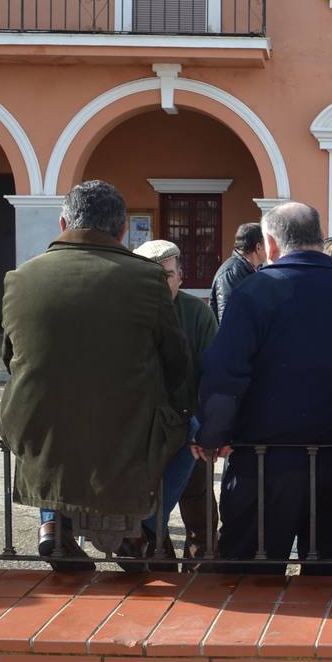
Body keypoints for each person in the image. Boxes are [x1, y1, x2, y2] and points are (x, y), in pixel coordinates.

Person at [196, 202, 332, 574]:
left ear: (270, 244)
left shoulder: (255, 293)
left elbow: (225, 373)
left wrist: (213, 435)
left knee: (248, 580)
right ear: (319, 237)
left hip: (265, 461)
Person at [0, 181, 190, 571]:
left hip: (40, 432)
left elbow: (10, 358)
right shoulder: (146, 279)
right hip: (124, 433)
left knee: (52, 421)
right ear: (123, 229)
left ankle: (53, 525)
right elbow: (177, 361)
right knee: (188, 433)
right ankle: (141, 528)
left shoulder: (20, 278)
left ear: (63, 223)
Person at [134, 240, 220, 565]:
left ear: (180, 276)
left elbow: (213, 372)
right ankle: (162, 570)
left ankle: (202, 573)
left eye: (167, 275)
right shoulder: (128, 314)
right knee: (150, 515)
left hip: (189, 428)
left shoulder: (196, 313)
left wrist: (209, 426)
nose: (159, 283)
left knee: (200, 511)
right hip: (143, 435)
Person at [210, 222, 266, 324]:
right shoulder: (230, 274)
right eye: (266, 244)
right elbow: (229, 320)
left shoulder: (258, 270)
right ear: (258, 247)